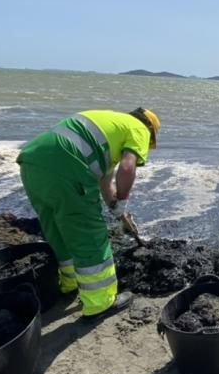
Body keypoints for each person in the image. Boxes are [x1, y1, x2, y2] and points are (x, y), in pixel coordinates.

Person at [16, 108, 161, 318]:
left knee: (57, 227)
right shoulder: (139, 128)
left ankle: (69, 283)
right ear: (149, 130)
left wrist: (119, 211)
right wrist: (123, 200)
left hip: (32, 161)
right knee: (88, 232)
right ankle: (100, 302)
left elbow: (105, 183)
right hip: (66, 164)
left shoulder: (110, 124)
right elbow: (128, 168)